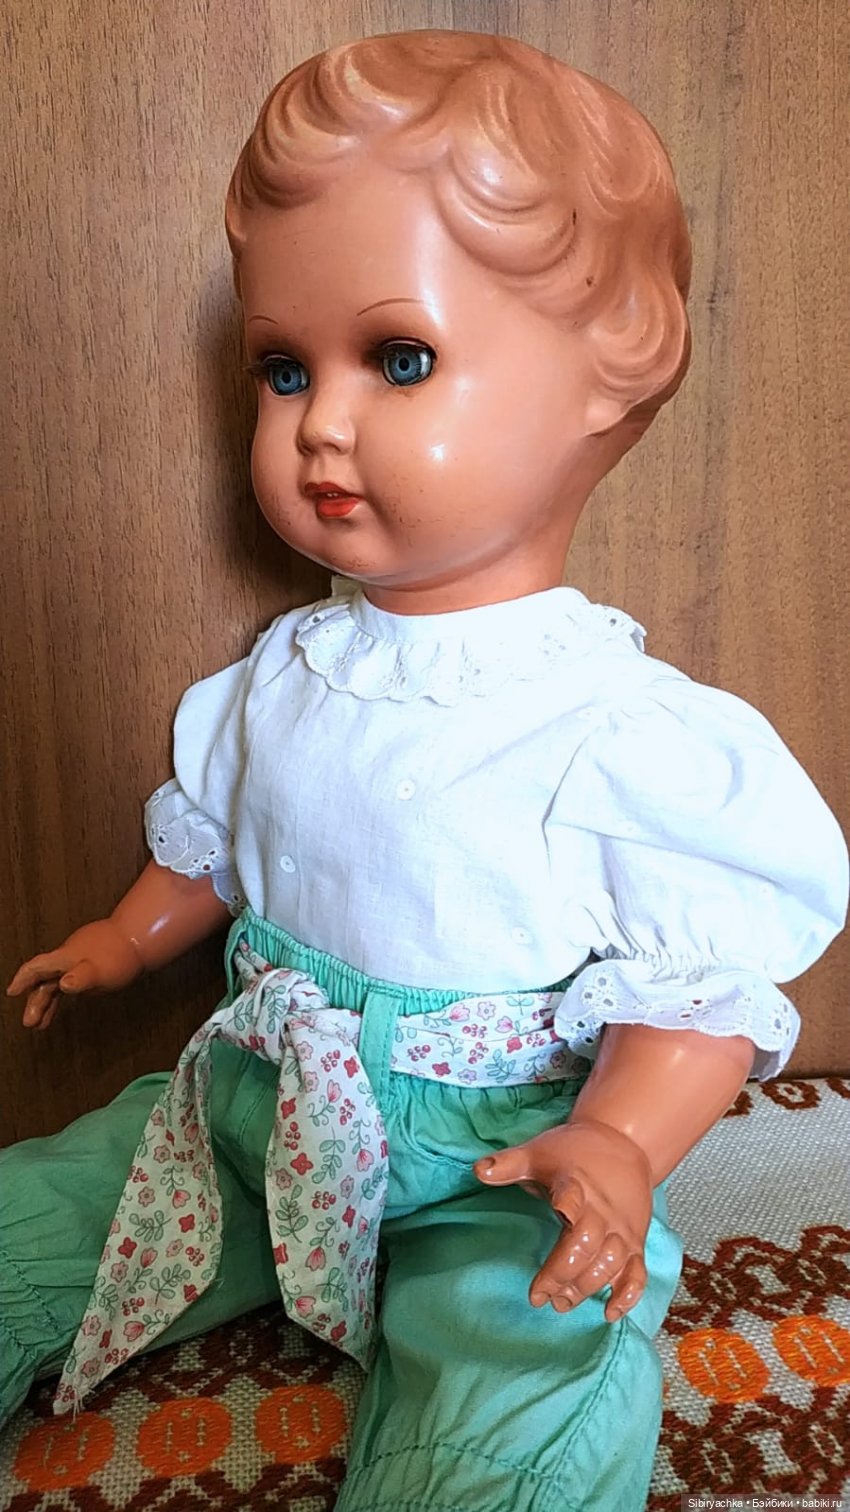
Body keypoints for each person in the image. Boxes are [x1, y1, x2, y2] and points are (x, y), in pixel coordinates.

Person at [3, 30, 847, 1512]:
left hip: (497, 1163)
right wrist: (127, 936)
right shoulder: (284, 669)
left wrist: (616, 1135)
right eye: (283, 369)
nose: (319, 422)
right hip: (259, 1112)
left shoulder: (615, 730)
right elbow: (225, 838)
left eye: (399, 360)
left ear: (603, 376)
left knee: (527, 1360)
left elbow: (692, 989)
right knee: (45, 1214)